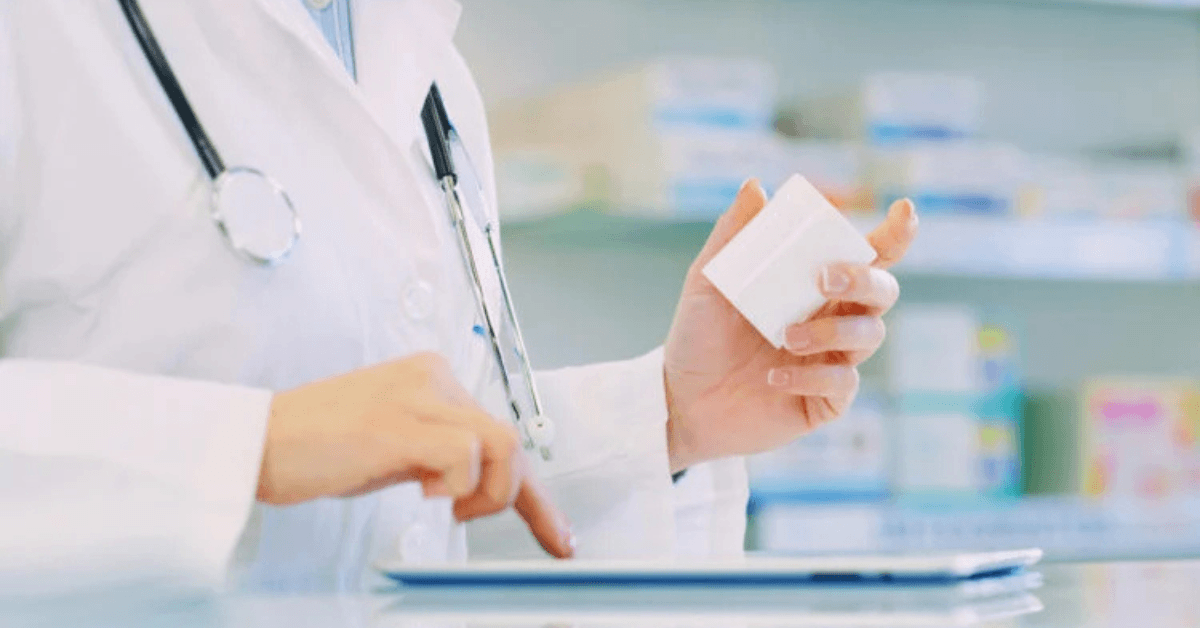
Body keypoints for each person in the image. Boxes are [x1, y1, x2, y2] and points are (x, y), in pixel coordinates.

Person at [0, 0, 917, 592]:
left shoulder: (431, 74)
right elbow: (308, 441)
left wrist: (673, 414)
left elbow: (424, 499)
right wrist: (251, 448)